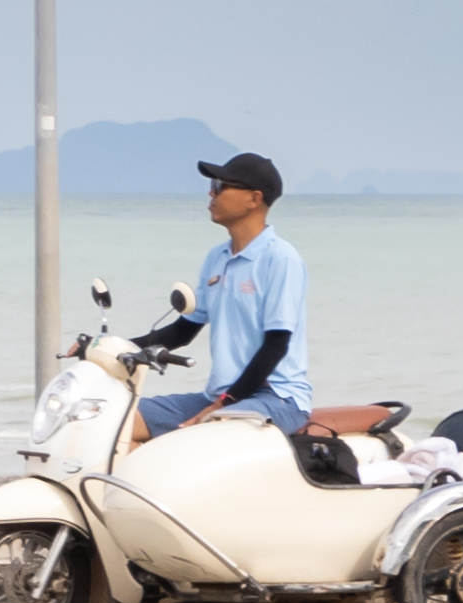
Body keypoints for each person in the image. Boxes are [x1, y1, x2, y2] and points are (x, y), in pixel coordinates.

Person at [133, 150, 384, 441]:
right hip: (220, 396)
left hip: (276, 399)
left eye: (219, 187)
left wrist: (224, 403)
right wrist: (112, 347)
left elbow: (276, 344)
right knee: (118, 418)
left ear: (253, 199)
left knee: (204, 436)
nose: (211, 194)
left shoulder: (280, 258)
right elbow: (183, 330)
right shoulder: (217, 257)